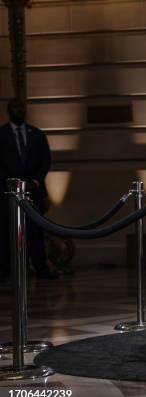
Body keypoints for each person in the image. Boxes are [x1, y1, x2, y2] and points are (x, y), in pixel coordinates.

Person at [0, 98, 57, 281]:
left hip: (33, 192)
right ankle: (5, 270)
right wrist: (11, 183)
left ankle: (41, 267)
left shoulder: (37, 134)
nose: (19, 110)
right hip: (7, 193)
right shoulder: (1, 135)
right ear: (9, 110)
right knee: (5, 233)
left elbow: (45, 161)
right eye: (15, 107)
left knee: (35, 232)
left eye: (21, 107)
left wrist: (35, 182)